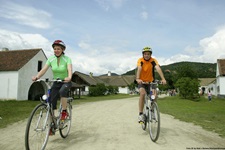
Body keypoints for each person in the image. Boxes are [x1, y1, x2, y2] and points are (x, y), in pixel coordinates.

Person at [32, 40, 72, 121]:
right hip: (56, 81)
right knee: (51, 100)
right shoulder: (51, 59)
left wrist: (69, 77)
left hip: (65, 82)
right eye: (55, 49)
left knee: (62, 92)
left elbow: (69, 69)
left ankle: (64, 111)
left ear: (62, 50)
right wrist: (37, 76)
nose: (56, 51)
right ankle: (52, 122)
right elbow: (44, 70)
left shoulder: (67, 59)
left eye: (58, 49)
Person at [136, 46, 166, 123]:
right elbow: (139, 68)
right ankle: (141, 114)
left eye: (148, 54)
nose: (147, 55)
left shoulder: (153, 60)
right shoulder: (140, 60)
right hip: (142, 82)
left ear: (150, 54)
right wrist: (138, 78)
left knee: (154, 95)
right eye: (145, 54)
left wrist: (163, 79)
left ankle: (152, 110)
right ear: (143, 54)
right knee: (142, 93)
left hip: (151, 82)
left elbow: (158, 68)